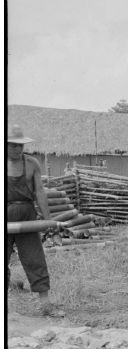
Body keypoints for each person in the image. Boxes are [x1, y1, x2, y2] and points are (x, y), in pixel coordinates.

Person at [7, 125, 64, 317]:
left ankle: (46, 305)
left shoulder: (32, 164)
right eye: (12, 146)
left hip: (26, 215)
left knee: (34, 259)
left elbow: (40, 192)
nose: (16, 149)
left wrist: (48, 220)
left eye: (19, 146)